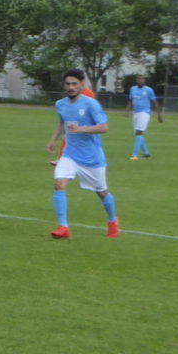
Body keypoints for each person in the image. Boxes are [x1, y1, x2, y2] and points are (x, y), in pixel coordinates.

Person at [46, 69, 120, 240]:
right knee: (59, 184)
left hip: (92, 158)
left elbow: (104, 127)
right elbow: (62, 122)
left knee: (102, 192)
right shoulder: (61, 104)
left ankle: (113, 221)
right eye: (68, 84)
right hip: (70, 155)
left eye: (74, 84)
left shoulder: (91, 104)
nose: (71, 87)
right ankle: (64, 227)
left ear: (81, 85)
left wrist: (82, 129)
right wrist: (53, 140)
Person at [125, 74, 162, 160]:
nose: (141, 80)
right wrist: (127, 111)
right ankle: (146, 153)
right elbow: (130, 100)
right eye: (139, 79)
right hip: (136, 113)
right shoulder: (133, 89)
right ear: (136, 80)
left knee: (139, 132)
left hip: (145, 113)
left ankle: (135, 155)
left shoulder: (149, 90)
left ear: (144, 81)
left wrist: (159, 115)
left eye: (142, 79)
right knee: (138, 134)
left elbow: (155, 102)